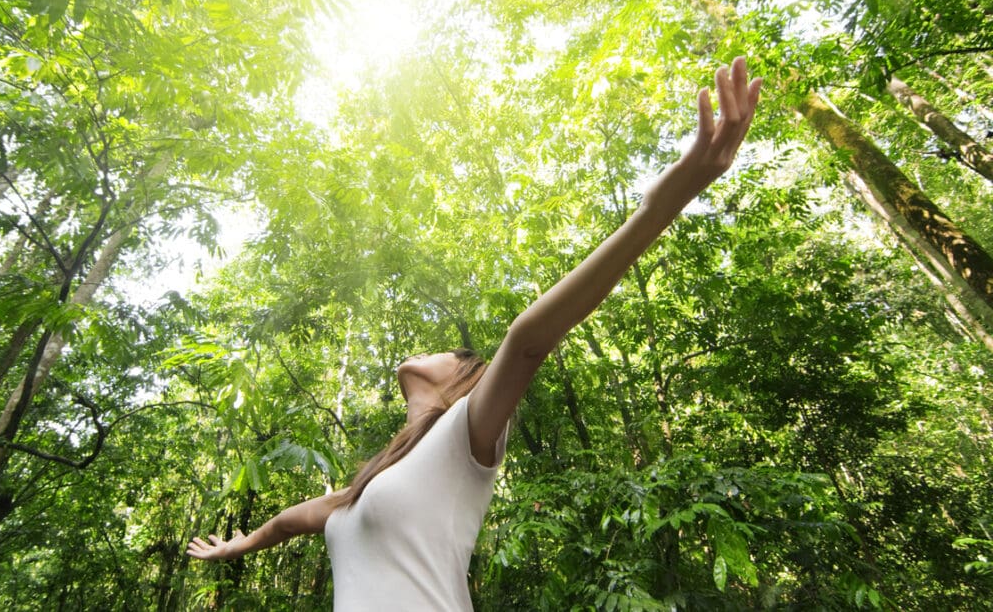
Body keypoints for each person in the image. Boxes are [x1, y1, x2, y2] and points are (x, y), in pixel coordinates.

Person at [186, 57, 763, 609]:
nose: (430, 349)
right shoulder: (364, 490)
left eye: (451, 353)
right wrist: (241, 544)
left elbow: (529, 340)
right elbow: (292, 520)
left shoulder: (466, 436)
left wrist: (661, 204)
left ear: (463, 383)